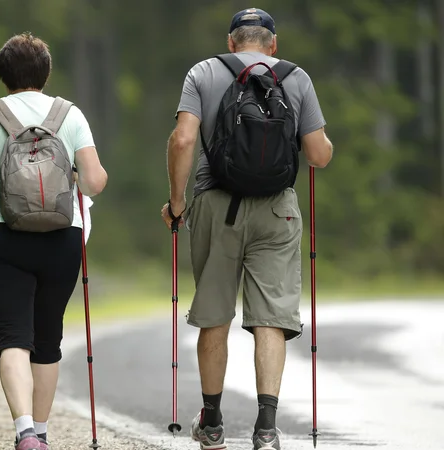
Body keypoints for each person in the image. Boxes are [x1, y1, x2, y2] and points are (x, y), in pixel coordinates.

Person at [160, 8, 333, 450]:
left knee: (215, 314)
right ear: (272, 44)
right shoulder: (296, 78)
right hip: (278, 211)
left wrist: (178, 203)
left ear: (231, 41)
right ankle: (267, 428)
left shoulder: (204, 72)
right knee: (271, 317)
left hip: (216, 205)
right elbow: (318, 155)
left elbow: (182, 140)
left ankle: (213, 422)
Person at [0, 32, 108, 450]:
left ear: (3, 75)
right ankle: (41, 432)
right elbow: (95, 180)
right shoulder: (70, 115)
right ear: (46, 72)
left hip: (2, 233)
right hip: (63, 235)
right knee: (48, 339)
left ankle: (24, 431)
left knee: (12, 337)